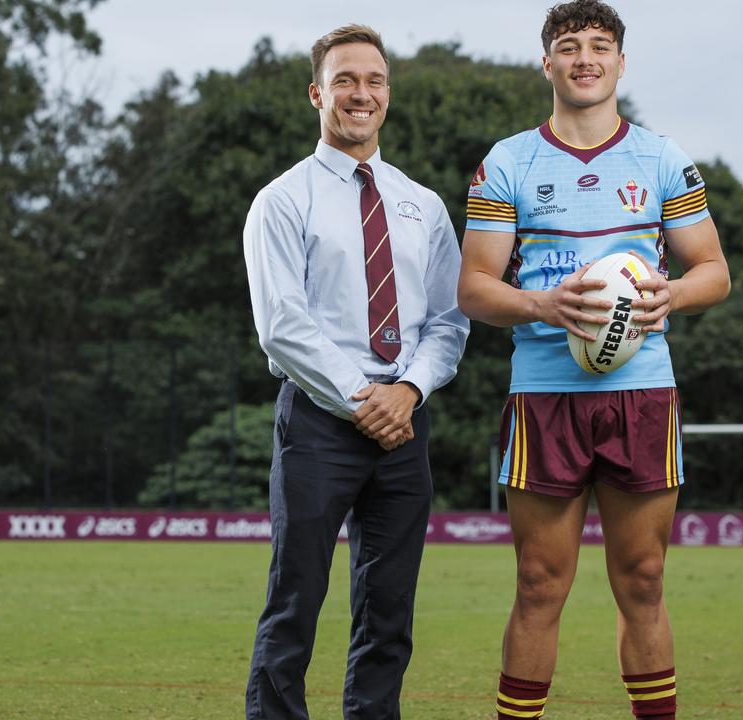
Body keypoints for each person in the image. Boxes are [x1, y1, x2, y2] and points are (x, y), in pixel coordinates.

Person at [457, 2, 730, 718]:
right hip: (545, 392)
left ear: (620, 62)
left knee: (642, 579)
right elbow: (475, 289)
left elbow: (714, 272)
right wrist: (544, 305)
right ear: (547, 63)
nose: (585, 58)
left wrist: (669, 294)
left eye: (600, 46)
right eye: (569, 46)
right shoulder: (509, 161)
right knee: (540, 582)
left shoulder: (663, 159)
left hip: (641, 392)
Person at [242, 23, 469, 720]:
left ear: (388, 95)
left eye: (372, 80)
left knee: (389, 606)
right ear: (318, 93)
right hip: (319, 422)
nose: (359, 94)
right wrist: (361, 396)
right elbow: (282, 324)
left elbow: (449, 321)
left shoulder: (422, 205)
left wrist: (405, 391)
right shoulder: (282, 200)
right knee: (295, 598)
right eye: (344, 80)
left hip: (403, 425)